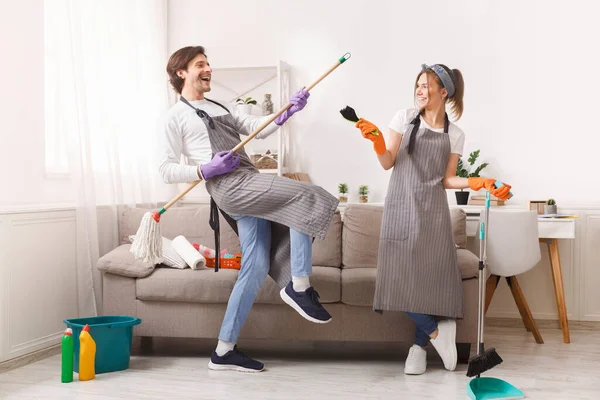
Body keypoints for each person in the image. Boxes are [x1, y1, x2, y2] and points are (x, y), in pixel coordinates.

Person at [158, 46, 339, 372]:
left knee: (254, 267)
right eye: (200, 64)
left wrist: (286, 111)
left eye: (209, 63)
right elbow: (165, 169)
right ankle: (299, 287)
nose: (208, 68)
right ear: (181, 72)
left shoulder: (217, 105)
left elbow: (256, 125)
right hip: (229, 187)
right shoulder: (174, 117)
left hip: (248, 179)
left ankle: (224, 350)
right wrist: (204, 170)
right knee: (306, 196)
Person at [354, 64, 511, 375]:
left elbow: (448, 179)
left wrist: (477, 181)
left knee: (427, 281)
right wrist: (376, 143)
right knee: (396, 279)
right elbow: (388, 163)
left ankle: (418, 348)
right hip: (400, 208)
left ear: (444, 92)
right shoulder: (403, 118)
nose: (420, 91)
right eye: (418, 85)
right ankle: (438, 333)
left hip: (432, 212)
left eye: (426, 86)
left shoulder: (455, 134)